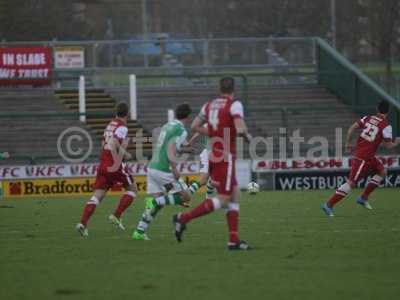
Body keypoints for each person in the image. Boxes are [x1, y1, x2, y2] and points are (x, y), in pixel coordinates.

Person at [173, 77, 253, 250]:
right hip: (225, 156)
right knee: (224, 198)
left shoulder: (208, 106)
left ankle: (233, 240)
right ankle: (183, 218)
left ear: (219, 89)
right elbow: (240, 128)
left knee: (234, 194)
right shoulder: (234, 105)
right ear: (233, 89)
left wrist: (213, 132)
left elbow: (194, 126)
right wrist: (247, 136)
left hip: (213, 154)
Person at [322, 100, 400, 216]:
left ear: (377, 109)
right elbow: (388, 146)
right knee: (351, 183)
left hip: (368, 156)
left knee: (382, 172)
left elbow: (352, 128)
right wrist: (397, 142)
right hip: (363, 157)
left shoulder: (367, 118)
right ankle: (328, 205)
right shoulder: (386, 125)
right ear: (388, 111)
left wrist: (348, 142)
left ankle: (363, 198)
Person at [132, 103, 193, 240]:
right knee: (186, 196)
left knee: (158, 203)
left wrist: (184, 149)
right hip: (164, 170)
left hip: (153, 167)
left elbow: (168, 146)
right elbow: (170, 149)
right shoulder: (181, 130)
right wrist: (175, 168)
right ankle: (157, 201)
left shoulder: (168, 125)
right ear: (188, 116)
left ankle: (139, 232)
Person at [76, 102, 137, 237]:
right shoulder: (122, 127)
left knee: (98, 196)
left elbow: (104, 143)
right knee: (133, 189)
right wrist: (125, 154)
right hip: (115, 164)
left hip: (104, 163)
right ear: (127, 113)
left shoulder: (110, 124)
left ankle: (83, 223)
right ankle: (116, 216)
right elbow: (115, 142)